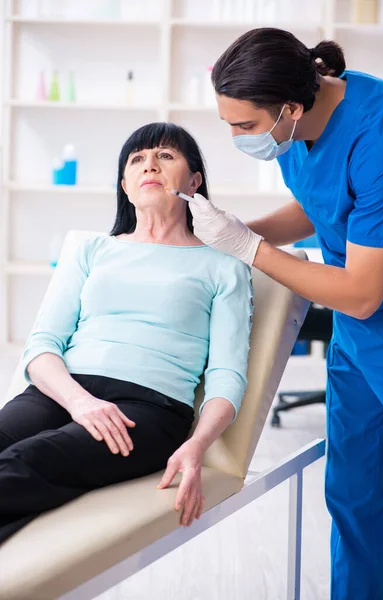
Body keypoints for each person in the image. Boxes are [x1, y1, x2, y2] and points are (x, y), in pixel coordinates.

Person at [187, 28, 383, 600]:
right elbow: (320, 206)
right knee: (356, 495)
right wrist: (239, 231)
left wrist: (249, 250)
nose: (235, 138)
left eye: (245, 127)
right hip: (359, 337)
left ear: (290, 107)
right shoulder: (297, 127)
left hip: (381, 314)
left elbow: (361, 292)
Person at [0, 122, 253, 544]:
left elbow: (228, 377)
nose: (149, 164)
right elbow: (42, 346)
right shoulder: (91, 250)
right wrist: (81, 403)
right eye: (137, 159)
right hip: (62, 391)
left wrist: (197, 446)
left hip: (148, 408)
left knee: (26, 462)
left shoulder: (224, 266)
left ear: (194, 181)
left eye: (166, 155)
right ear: (125, 185)